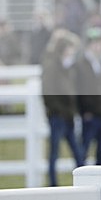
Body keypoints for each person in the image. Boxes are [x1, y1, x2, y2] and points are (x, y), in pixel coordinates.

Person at [41, 28, 84, 186]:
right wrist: (58, 111)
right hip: (58, 116)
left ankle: (84, 183)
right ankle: (52, 185)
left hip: (68, 116)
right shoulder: (52, 66)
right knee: (54, 154)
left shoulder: (68, 67)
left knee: (78, 153)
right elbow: (48, 93)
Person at [75, 26, 101, 166]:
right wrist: (83, 111)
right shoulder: (81, 64)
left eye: (100, 42)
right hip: (90, 114)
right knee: (84, 150)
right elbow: (79, 89)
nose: (98, 46)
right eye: (94, 42)